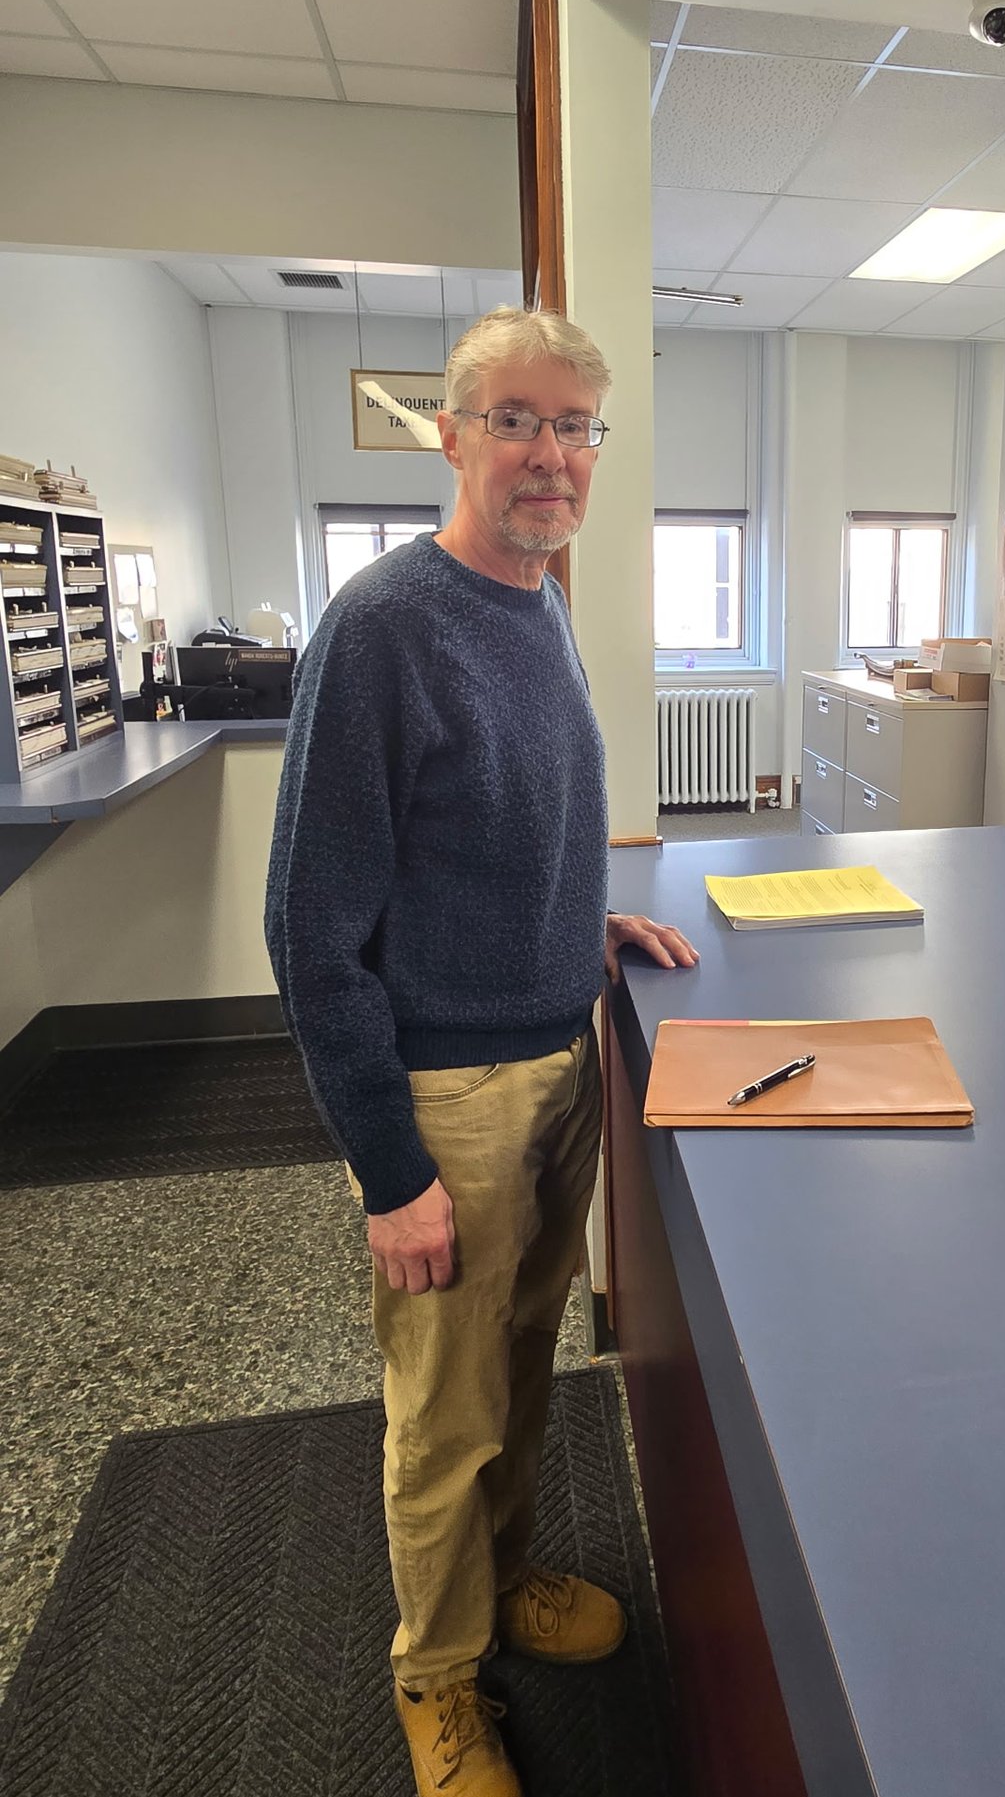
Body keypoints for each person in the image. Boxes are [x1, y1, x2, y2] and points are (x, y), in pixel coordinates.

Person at [264, 306, 698, 1797]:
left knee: (518, 1366)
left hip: (557, 1059)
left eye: (577, 427)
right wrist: (390, 1171)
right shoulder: (384, 627)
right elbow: (311, 928)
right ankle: (437, 1677)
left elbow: (508, 828)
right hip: (445, 1099)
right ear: (448, 436)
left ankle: (502, 1587)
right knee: (442, 1414)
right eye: (517, 420)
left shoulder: (541, 602)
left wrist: (589, 925)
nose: (553, 455)